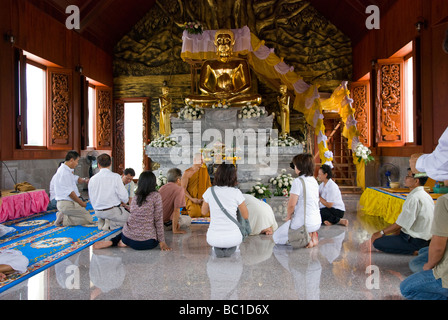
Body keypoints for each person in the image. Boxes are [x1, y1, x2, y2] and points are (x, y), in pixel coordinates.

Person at [93, 171, 171, 251]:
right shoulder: (156, 196)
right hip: (146, 243)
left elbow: (134, 211)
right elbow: (158, 219)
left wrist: (126, 207)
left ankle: (114, 241)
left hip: (127, 237)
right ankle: (121, 242)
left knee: (128, 227)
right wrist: (162, 242)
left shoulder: (137, 195)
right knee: (158, 237)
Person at [185, 29, 262, 107]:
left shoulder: (241, 62)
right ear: (215, 43)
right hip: (214, 96)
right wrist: (214, 94)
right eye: (220, 41)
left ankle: (223, 103)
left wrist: (234, 93)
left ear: (232, 43)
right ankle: (223, 102)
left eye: (227, 40)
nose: (223, 43)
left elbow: (247, 84)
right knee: (189, 99)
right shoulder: (208, 63)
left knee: (257, 98)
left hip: (234, 96)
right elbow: (202, 85)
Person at [400, 184, 448, 300]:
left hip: (417, 240)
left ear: (416, 181)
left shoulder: (444, 200)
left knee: (406, 288)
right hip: (426, 242)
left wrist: (429, 266)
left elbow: (438, 247)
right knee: (424, 251)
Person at [371, 169, 434, 255]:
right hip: (425, 239)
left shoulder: (414, 197)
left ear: (416, 181)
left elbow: (400, 224)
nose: (405, 178)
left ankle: (415, 250)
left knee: (377, 242)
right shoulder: (426, 195)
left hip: (415, 241)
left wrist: (380, 233)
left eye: (408, 176)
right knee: (391, 237)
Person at [273, 154, 321, 248]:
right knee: (288, 233)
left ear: (299, 167)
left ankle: (306, 241)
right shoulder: (314, 181)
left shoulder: (298, 181)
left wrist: (288, 217)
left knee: (276, 238)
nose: (294, 167)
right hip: (317, 221)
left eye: (295, 165)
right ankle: (312, 235)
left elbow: (291, 205)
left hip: (304, 224)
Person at [201, 163, 249, 258]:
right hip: (234, 238)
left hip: (213, 238)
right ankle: (232, 247)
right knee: (234, 238)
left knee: (216, 241)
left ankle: (217, 247)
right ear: (233, 177)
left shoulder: (210, 191)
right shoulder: (236, 192)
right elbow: (246, 216)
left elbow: (203, 212)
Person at [88, 154, 130, 231]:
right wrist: (125, 201)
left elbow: (91, 197)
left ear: (98, 165)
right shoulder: (115, 177)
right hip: (111, 211)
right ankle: (110, 223)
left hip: (97, 212)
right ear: (110, 164)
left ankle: (102, 220)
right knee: (131, 219)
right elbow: (124, 197)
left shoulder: (92, 179)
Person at [54, 151, 93, 227]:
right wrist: (81, 203)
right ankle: (64, 219)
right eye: (77, 161)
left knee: (83, 215)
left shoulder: (66, 170)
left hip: (67, 203)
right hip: (66, 203)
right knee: (88, 219)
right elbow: (71, 193)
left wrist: (84, 180)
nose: (77, 164)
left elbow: (75, 179)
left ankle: (63, 214)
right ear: (71, 160)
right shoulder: (64, 172)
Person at [159, 168, 191, 234]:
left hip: (157, 224)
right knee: (188, 219)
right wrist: (175, 230)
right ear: (178, 180)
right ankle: (174, 226)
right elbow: (176, 210)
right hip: (166, 225)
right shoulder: (179, 189)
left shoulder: (162, 188)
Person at [181, 153, 212, 217]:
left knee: (207, 213)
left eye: (202, 160)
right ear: (194, 160)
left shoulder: (204, 171)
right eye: (200, 160)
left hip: (203, 199)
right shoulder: (187, 173)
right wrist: (192, 199)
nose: (202, 162)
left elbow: (209, 186)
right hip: (191, 198)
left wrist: (206, 199)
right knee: (195, 213)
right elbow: (183, 189)